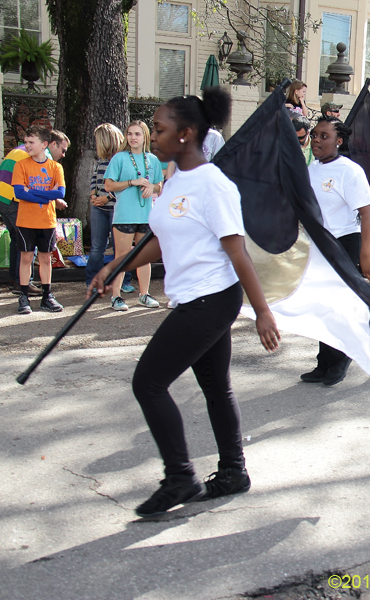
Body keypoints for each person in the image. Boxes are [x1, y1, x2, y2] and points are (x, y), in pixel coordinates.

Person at [88, 87, 281, 518]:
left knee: (148, 383)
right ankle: (233, 472)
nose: (152, 137)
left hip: (211, 299)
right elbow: (160, 241)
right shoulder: (175, 178)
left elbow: (238, 252)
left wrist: (262, 311)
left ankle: (180, 477)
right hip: (196, 296)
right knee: (216, 387)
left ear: (186, 134)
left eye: (159, 129)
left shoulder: (213, 185)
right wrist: (115, 266)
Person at [300, 117, 370, 386]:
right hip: (318, 245)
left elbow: (367, 212)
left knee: (336, 304)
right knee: (322, 305)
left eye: (324, 136)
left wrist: (365, 255)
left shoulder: (349, 171)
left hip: (344, 242)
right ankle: (324, 362)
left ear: (339, 141)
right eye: (315, 135)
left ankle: (341, 357)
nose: (317, 140)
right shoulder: (311, 169)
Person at [0, 129, 68, 295]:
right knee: (28, 240)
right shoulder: (42, 156)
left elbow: (42, 189)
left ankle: (16, 280)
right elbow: (42, 188)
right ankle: (23, 283)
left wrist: (44, 195)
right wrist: (51, 199)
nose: (63, 154)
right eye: (62, 150)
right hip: (9, 198)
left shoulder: (23, 149)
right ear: (51, 144)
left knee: (17, 238)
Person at [104, 121, 165, 310]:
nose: (133, 137)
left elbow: (160, 186)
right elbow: (108, 185)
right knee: (122, 256)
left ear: (144, 136)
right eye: (130, 134)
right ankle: (116, 296)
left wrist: (150, 187)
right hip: (124, 216)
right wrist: (131, 182)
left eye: (137, 134)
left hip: (146, 215)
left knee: (144, 257)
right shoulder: (119, 158)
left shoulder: (152, 159)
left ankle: (144, 294)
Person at [10, 125, 68, 314]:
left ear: (44, 144)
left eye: (31, 142)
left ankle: (47, 296)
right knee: (26, 257)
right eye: (25, 142)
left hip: (47, 220)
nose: (27, 145)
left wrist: (32, 191)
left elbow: (60, 192)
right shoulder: (21, 165)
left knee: (45, 258)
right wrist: (46, 195)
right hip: (26, 220)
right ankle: (24, 296)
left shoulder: (55, 167)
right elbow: (19, 193)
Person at [86, 123, 126, 287]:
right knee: (97, 247)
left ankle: (124, 281)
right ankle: (93, 280)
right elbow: (94, 179)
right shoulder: (100, 160)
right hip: (99, 209)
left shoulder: (122, 160)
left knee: (120, 248)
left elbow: (124, 184)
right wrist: (93, 196)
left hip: (116, 209)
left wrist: (107, 198)